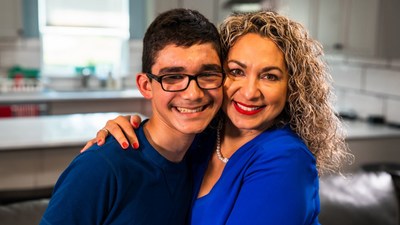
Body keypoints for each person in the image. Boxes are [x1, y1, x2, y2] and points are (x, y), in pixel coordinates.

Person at [84, 10, 353, 224]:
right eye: (236, 71)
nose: (249, 92)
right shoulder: (201, 138)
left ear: (291, 87)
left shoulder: (286, 159)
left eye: (269, 76)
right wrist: (128, 132)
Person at [40, 8, 224, 225]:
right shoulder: (101, 167)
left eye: (208, 74)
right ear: (146, 86)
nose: (193, 94)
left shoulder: (205, 154)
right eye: (173, 77)